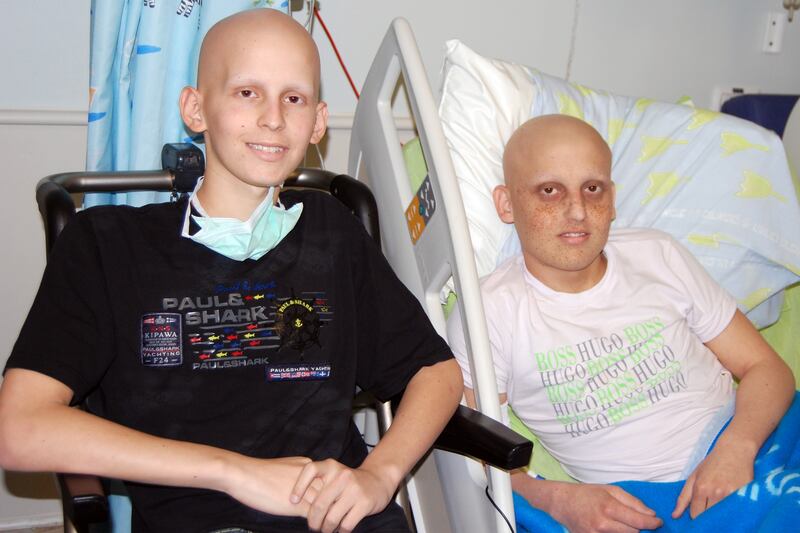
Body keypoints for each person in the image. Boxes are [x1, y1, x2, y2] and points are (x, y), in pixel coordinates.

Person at [0, 9, 463, 533]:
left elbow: (436, 372)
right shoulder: (108, 247)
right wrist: (235, 474)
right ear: (195, 109)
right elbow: (20, 428)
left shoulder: (332, 232)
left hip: (340, 517)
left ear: (317, 121)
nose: (273, 118)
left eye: (294, 98)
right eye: (247, 92)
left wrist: (380, 475)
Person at [446, 114, 795, 533]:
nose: (577, 211)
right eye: (550, 190)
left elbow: (767, 368)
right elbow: (478, 451)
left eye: (592, 189)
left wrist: (737, 448)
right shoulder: (490, 312)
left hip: (757, 438)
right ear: (506, 204)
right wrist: (556, 498)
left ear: (612, 200)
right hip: (648, 504)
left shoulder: (657, 255)